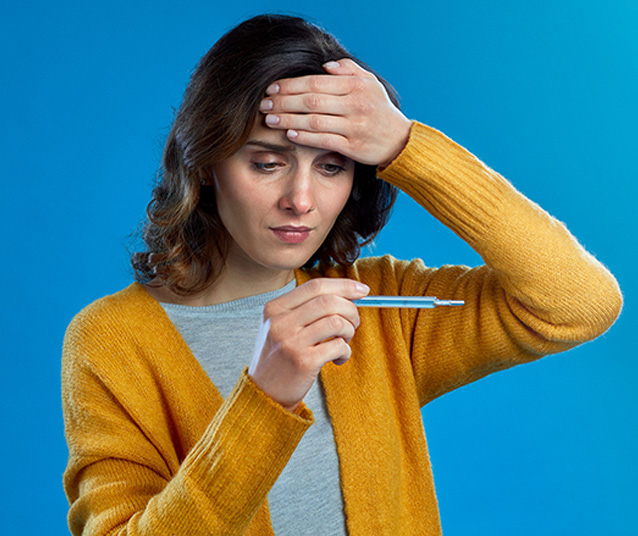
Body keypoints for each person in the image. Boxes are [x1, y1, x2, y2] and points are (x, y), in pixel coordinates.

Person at [61, 13, 623, 536]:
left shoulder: (379, 304)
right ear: (205, 164)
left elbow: (579, 303)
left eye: (331, 166)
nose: (301, 200)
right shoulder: (113, 342)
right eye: (266, 162)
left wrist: (407, 144)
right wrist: (265, 400)